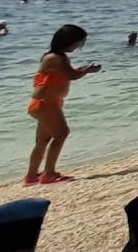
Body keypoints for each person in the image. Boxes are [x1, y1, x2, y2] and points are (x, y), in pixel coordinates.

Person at [25, 24, 102, 185]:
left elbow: (67, 73)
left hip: (46, 103)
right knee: (61, 133)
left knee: (43, 141)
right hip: (45, 104)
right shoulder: (54, 57)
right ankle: (49, 174)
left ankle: (32, 176)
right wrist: (87, 70)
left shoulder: (57, 57)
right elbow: (71, 75)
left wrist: (83, 69)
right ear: (69, 41)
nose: (79, 46)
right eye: (79, 43)